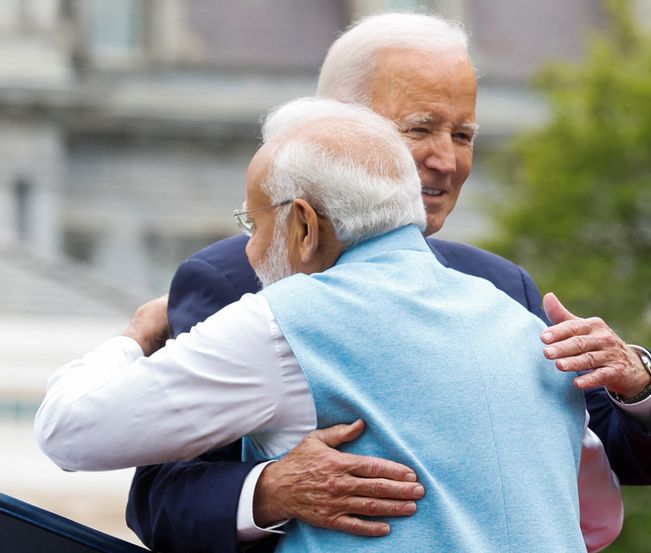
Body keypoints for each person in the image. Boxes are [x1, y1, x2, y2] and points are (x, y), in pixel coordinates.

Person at [127, 12, 651, 553]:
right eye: (420, 129)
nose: (445, 160)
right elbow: (161, 501)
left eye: (463, 135)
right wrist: (273, 489)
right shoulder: (235, 279)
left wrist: (638, 385)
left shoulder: (503, 287)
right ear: (332, 132)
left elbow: (635, 457)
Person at [36, 97, 620, 552]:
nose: (249, 250)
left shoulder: (282, 323)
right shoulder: (516, 322)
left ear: (305, 227)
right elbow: (597, 514)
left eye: (255, 223)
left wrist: (137, 334)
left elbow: (69, 431)